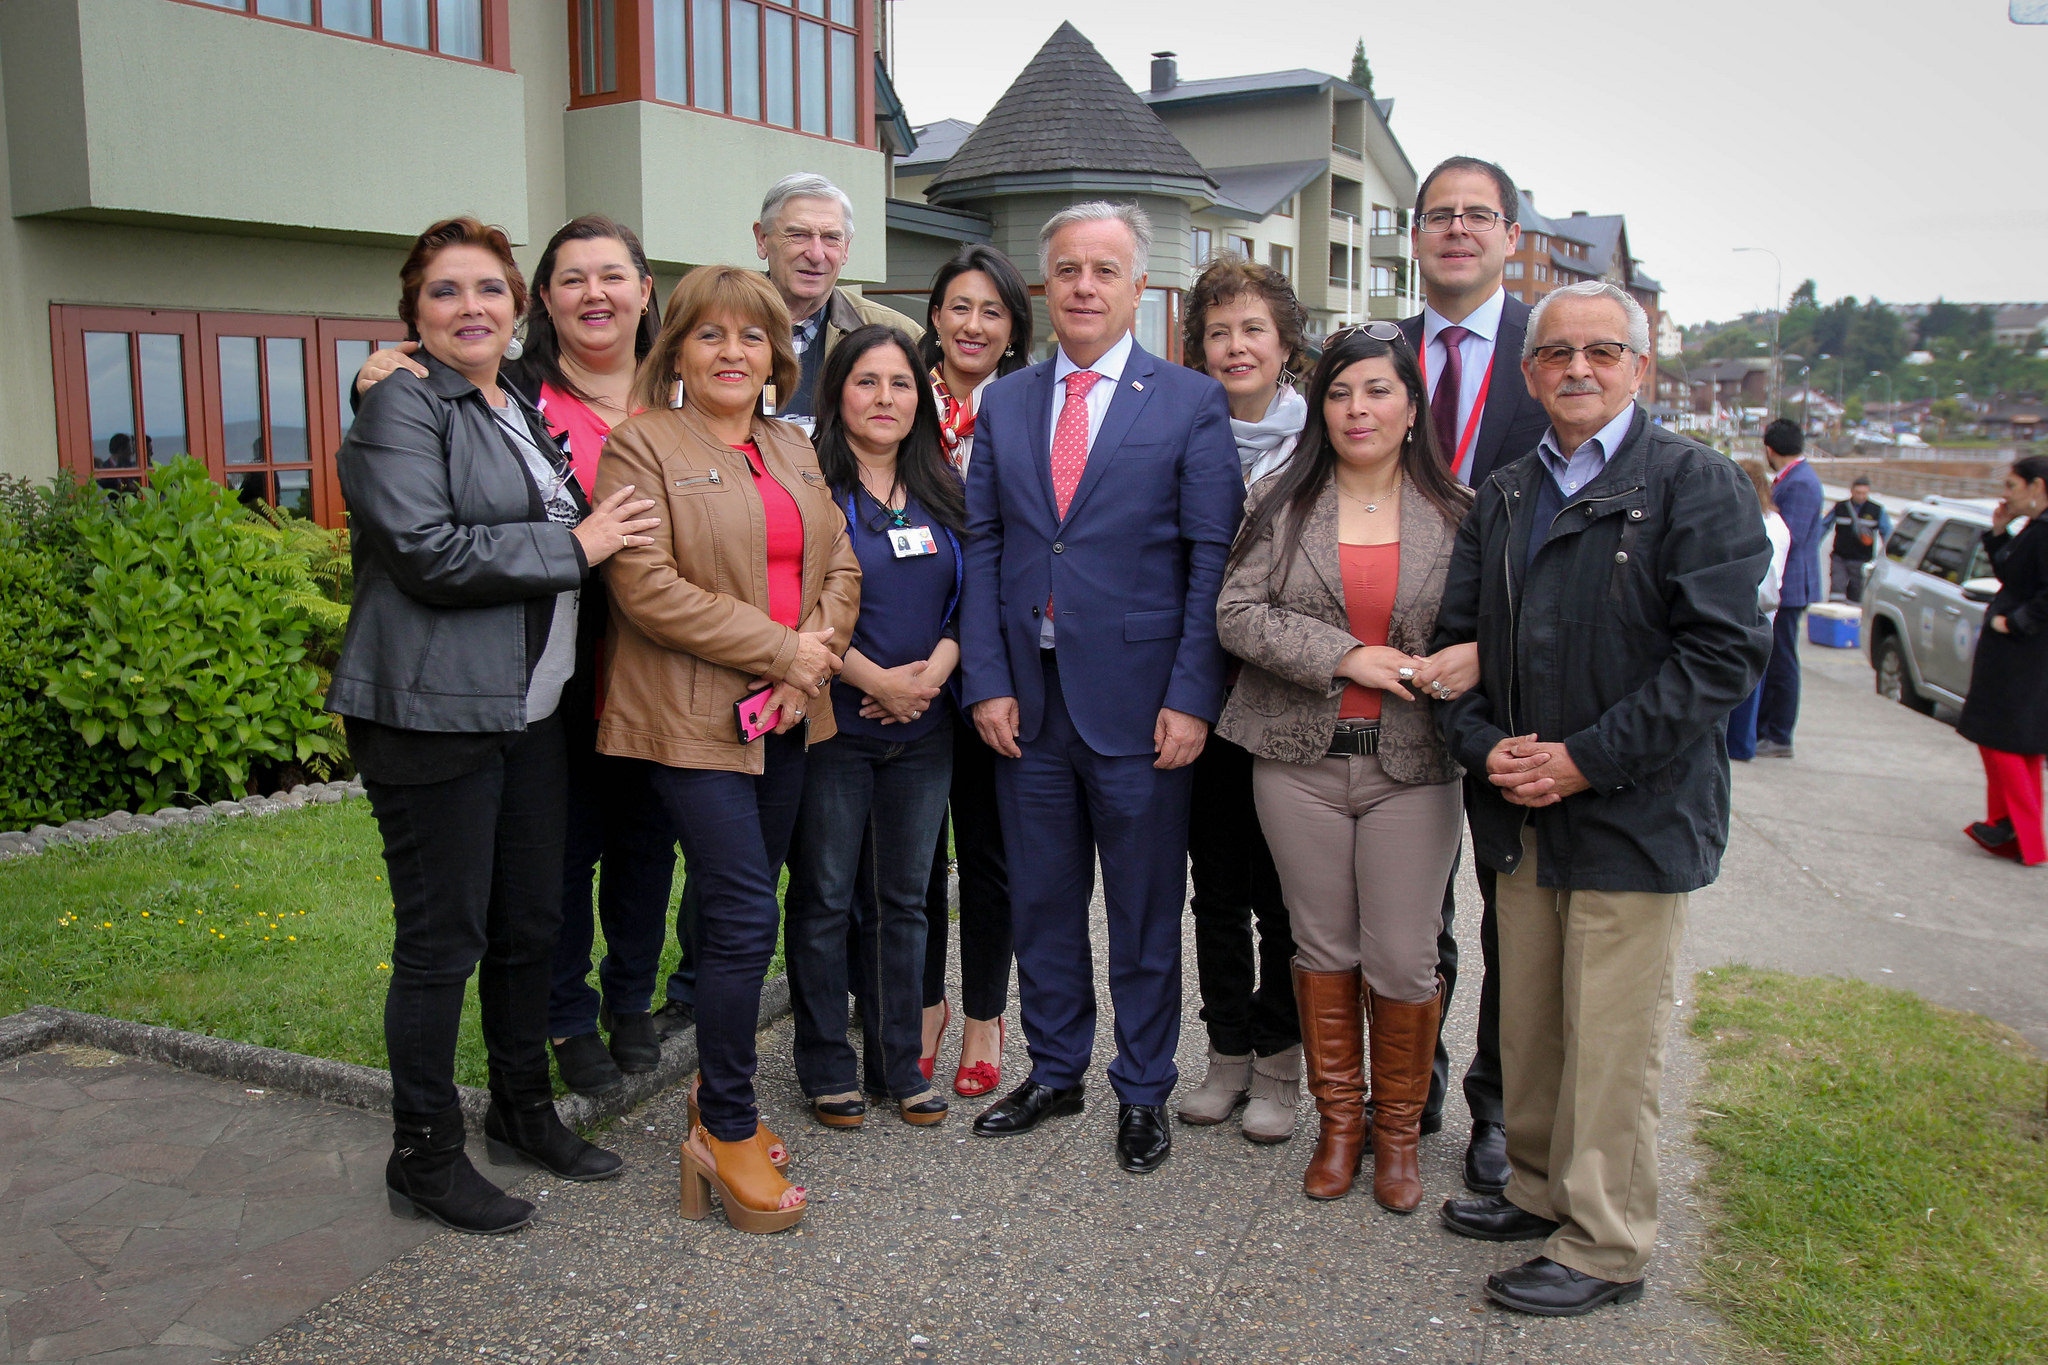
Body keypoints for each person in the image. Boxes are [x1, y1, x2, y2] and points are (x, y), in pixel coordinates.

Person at [1432, 280, 1771, 1316]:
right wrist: (1484, 748)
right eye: (1555, 354)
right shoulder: (1500, 492)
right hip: (1523, 808)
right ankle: (1535, 1188)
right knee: (1529, 1021)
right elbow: (1460, 651)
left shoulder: (1693, 484)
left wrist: (1583, 757)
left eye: (1602, 351)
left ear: (1640, 368)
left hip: (1634, 812)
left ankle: (1606, 1243)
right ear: (1528, 374)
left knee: (1612, 1040)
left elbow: (1721, 657)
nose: (1577, 369)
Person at [327, 217, 659, 1233]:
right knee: (443, 942)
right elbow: (427, 550)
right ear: (412, 315)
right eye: (444, 293)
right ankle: (422, 1154)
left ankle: (522, 1110)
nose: (470, 308)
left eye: (487, 290)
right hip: (432, 716)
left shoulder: (512, 397)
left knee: (529, 925)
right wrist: (581, 542)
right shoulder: (399, 406)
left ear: (518, 308)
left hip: (531, 713)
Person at [960, 201, 1243, 1174]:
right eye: (1068, 270)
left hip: (1141, 704)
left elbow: (1211, 559)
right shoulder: (1004, 402)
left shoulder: (1189, 403)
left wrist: (1192, 696)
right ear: (1047, 286)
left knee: (1141, 906)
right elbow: (987, 543)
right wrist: (986, 681)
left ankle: (1143, 1086)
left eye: (1104, 271)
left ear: (1136, 288)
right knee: (1040, 900)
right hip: (1026, 705)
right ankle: (1054, 1070)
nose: (1084, 286)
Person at [596, 264, 861, 1233]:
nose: (731, 353)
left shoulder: (790, 446)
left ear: (775, 357)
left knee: (738, 910)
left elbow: (838, 561)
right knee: (744, 913)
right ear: (676, 350)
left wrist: (808, 665)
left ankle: (717, 1095)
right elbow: (646, 589)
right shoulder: (641, 446)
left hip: (788, 714)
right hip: (687, 716)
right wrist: (780, 648)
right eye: (708, 336)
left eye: (750, 338)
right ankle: (727, 1127)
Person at [1215, 322, 1478, 1211]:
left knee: (1402, 958)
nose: (1357, 408)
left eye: (1377, 391)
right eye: (1339, 392)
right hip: (1298, 763)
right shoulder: (1283, 505)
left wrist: (1472, 655)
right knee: (1320, 945)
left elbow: (1496, 629)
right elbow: (1236, 614)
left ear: (1412, 409)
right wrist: (1344, 655)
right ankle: (1339, 1126)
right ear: (1320, 407)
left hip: (1415, 766)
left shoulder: (1464, 514)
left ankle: (1398, 1135)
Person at [1399, 156, 1555, 1197]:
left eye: (1476, 216)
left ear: (1509, 238)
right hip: (1390, 671)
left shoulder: (1554, 356)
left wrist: (1489, 650)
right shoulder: (1372, 354)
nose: (1456, 230)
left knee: (1512, 909)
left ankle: (1497, 1110)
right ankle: (1410, 1086)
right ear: (1412, 237)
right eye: (1437, 215)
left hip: (1509, 681)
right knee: (1415, 908)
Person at [784, 324, 963, 1127]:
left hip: (926, 725)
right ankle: (826, 1062)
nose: (885, 398)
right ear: (837, 393)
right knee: (825, 896)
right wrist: (873, 679)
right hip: (833, 723)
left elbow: (974, 597)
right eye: (867, 382)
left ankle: (900, 1063)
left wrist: (932, 674)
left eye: (900, 383)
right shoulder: (809, 486)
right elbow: (793, 604)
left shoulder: (943, 487)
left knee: (907, 900)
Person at [1171, 255, 1311, 1143]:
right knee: (1215, 888)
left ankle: (1278, 1061)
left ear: (1286, 342)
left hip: (1291, 702)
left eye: (1253, 328)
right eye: (1218, 330)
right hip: (1202, 698)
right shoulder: (1179, 430)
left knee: (1285, 898)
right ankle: (1224, 1053)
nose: (1235, 345)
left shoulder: (1321, 442)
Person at [914, 245, 1034, 1096]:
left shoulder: (1030, 409)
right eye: (959, 306)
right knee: (917, 852)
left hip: (997, 662)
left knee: (990, 854)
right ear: (934, 316)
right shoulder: (893, 398)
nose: (974, 325)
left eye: (992, 311)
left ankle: (987, 1012)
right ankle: (924, 1004)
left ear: (1013, 329)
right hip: (907, 664)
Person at [753, 172, 924, 429]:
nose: (816, 253)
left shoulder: (900, 334)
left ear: (846, 248)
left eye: (831, 238)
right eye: (798, 235)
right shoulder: (714, 324)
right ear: (762, 239)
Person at [1957, 456, 2048, 866]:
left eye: (2012, 486)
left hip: (2021, 651)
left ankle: (2023, 831)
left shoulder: (2045, 532)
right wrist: (1998, 533)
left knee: (2004, 741)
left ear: (2037, 486)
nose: (2006, 494)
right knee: (2019, 743)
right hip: (2018, 649)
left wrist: (2016, 623)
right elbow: (2014, 575)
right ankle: (2010, 824)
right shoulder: (2034, 528)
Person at [1755, 419, 1823, 759]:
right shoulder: (1795, 479)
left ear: (1769, 449)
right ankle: (1768, 729)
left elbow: (1789, 536)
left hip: (1791, 587)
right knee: (1775, 659)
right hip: (1788, 585)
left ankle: (1779, 734)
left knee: (1782, 662)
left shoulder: (1799, 484)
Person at [1726, 459, 1793, 762]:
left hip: (1745, 606)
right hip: (1766, 609)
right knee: (1754, 678)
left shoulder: (1745, 519)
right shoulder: (1778, 522)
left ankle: (1738, 745)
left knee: (1735, 679)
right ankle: (1744, 742)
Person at [1827, 478, 1892, 603]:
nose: (1861, 496)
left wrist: (1889, 555)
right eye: (1858, 492)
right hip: (1840, 557)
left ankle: (1852, 620)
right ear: (1851, 491)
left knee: (1857, 594)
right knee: (1837, 591)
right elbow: (1824, 526)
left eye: (1864, 493)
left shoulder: (1876, 510)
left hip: (1862, 560)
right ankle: (1834, 619)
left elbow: (1887, 532)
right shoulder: (1840, 507)